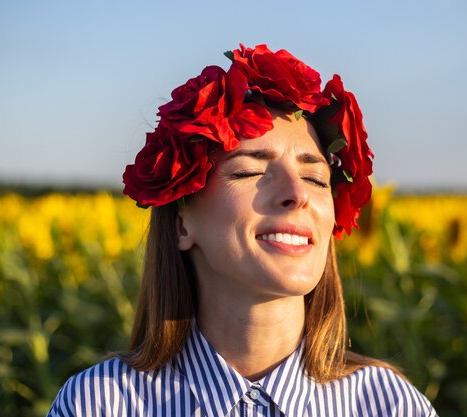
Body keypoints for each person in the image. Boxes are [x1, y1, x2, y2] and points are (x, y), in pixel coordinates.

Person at [47, 44, 439, 417]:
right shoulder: (102, 404)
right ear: (182, 224)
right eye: (251, 171)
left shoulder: (389, 406)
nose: (297, 194)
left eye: (316, 178)